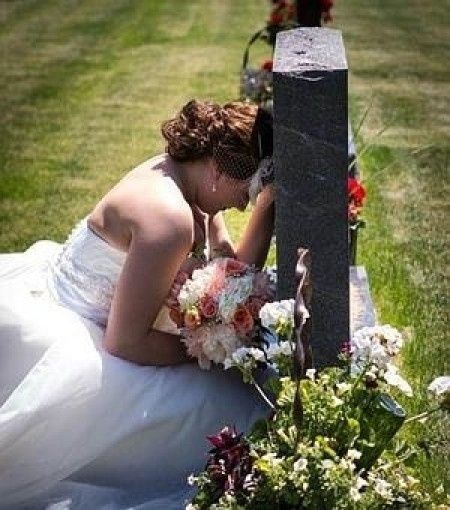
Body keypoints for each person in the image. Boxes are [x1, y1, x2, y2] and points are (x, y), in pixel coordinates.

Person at [0, 100, 275, 509]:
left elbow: (226, 255)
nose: (241, 206)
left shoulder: (177, 170)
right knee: (236, 402)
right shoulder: (169, 218)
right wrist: (209, 348)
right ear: (218, 170)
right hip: (93, 339)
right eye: (247, 192)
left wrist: (257, 215)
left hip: (76, 301)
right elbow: (124, 342)